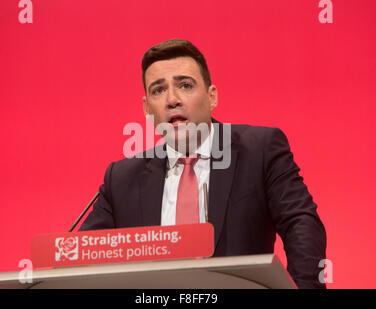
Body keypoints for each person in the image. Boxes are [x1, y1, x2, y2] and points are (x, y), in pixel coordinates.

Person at [80, 39, 327, 289]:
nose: (172, 99)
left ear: (212, 97)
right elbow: (81, 255)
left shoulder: (259, 150)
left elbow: (302, 224)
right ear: (147, 109)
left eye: (185, 85)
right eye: (158, 90)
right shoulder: (122, 178)